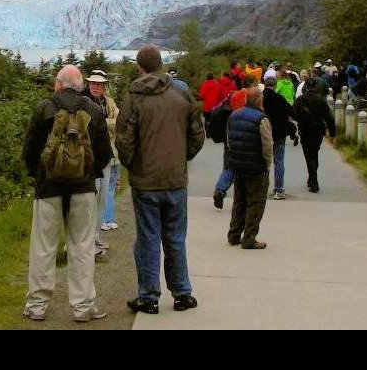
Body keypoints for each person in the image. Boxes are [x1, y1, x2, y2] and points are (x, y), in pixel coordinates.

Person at [116, 44, 205, 315]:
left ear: (139, 66)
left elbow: (124, 139)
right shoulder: (181, 93)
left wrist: (133, 166)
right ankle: (182, 293)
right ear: (161, 64)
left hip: (146, 181)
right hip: (175, 179)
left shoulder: (135, 96)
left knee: (148, 237)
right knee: (176, 236)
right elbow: (197, 134)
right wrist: (181, 158)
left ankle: (149, 296)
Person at [22, 65, 114, 322]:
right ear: (81, 85)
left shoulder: (44, 108)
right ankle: (83, 306)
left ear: (58, 84)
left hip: (48, 187)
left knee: (43, 246)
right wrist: (91, 174)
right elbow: (105, 153)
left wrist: (37, 174)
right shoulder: (93, 110)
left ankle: (37, 305)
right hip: (83, 189)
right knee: (82, 246)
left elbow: (30, 150)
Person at [226, 85, 273, 248]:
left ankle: (234, 233)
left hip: (238, 165)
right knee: (256, 202)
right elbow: (267, 145)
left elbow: (229, 140)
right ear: (258, 99)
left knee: (239, 200)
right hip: (255, 167)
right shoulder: (262, 119)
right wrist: (267, 164)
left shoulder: (234, 115)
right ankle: (250, 237)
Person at [84, 70, 121, 241]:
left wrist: (101, 122)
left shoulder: (109, 102)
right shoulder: (83, 101)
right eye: (93, 83)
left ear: (104, 86)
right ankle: (83, 236)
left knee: (104, 194)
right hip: (88, 157)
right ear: (88, 84)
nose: (95, 87)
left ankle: (96, 234)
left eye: (99, 84)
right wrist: (107, 123)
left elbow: (118, 122)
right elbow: (85, 124)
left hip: (107, 155)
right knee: (88, 196)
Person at [291, 75, 336, 194]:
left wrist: (301, 119)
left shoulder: (300, 100)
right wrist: (332, 134)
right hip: (318, 131)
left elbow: (294, 114)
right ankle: (312, 178)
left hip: (305, 131)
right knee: (314, 154)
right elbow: (330, 118)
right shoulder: (321, 100)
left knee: (308, 155)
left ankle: (313, 180)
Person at [212, 77, 252, 209]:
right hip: (243, 136)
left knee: (228, 165)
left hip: (229, 136)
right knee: (240, 168)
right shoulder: (246, 96)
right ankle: (236, 196)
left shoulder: (230, 97)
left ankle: (220, 188)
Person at [262, 75, 298, 199]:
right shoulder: (280, 99)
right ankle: (279, 189)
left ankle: (261, 188)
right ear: (275, 86)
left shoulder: (260, 99)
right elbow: (292, 112)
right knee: (279, 161)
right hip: (279, 134)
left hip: (264, 133)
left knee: (263, 161)